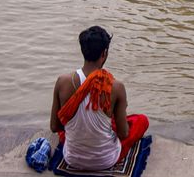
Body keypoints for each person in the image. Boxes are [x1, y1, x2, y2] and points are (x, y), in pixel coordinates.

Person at [50, 26, 149, 171]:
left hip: (72, 159)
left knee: (71, 124)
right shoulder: (116, 87)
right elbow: (123, 133)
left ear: (83, 50)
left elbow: (55, 127)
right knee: (141, 120)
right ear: (104, 53)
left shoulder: (63, 81)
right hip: (106, 160)